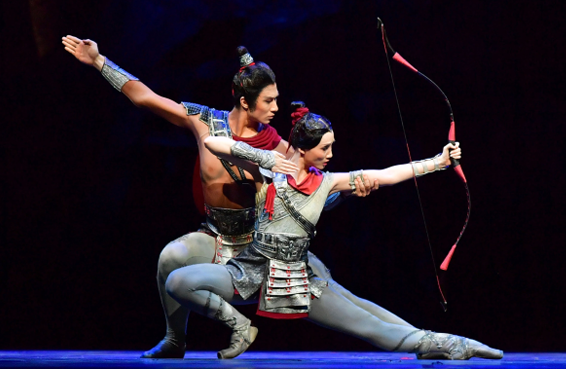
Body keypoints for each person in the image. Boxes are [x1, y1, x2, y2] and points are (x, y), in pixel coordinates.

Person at [61, 36, 413, 359]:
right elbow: (145, 97)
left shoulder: (281, 149)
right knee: (170, 258)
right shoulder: (204, 122)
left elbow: (310, 198)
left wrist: (350, 193)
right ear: (245, 101)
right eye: (269, 100)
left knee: (342, 296)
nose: (276, 107)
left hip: (260, 244)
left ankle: (417, 338)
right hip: (215, 234)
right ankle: (175, 339)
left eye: (276, 99)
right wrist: (99, 61)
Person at [165, 102, 504, 361]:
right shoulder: (269, 171)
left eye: (331, 147)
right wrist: (264, 158)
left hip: (294, 279)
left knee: (370, 322)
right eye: (324, 148)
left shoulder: (327, 182)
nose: (330, 155)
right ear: (303, 148)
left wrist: (438, 162)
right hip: (250, 269)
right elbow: (212, 142)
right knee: (178, 281)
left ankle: (451, 344)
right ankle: (239, 326)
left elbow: (387, 174)